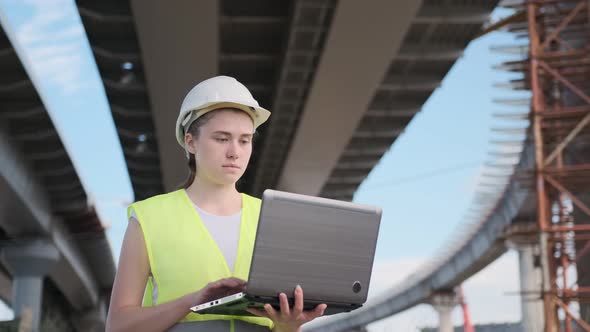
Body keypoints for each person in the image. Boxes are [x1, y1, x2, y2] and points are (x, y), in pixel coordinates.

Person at [106, 76, 327, 332]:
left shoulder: (273, 217)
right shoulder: (149, 219)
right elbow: (118, 326)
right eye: (222, 139)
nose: (235, 151)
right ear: (191, 142)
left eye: (245, 140)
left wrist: (289, 325)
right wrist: (192, 301)